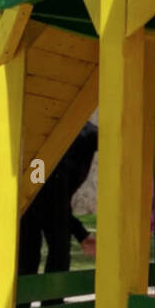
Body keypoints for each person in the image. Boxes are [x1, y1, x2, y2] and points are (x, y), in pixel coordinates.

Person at [18, 121, 98, 284]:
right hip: (37, 194)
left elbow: (54, 198)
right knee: (51, 252)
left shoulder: (83, 138)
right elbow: (51, 197)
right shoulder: (79, 143)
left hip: (38, 190)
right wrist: (81, 233)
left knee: (40, 252)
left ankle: (30, 305)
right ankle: (45, 304)